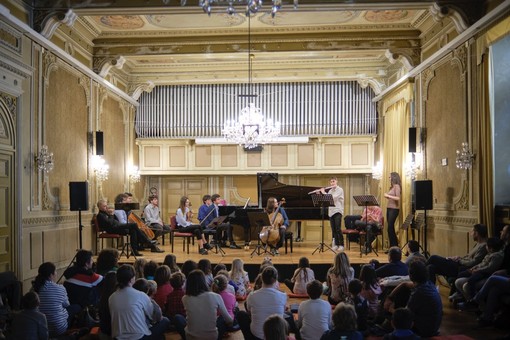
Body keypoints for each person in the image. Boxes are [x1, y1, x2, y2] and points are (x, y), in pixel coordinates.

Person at [109, 264, 169, 340]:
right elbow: (152, 317)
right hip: (139, 337)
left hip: (118, 337)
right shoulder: (141, 295)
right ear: (131, 280)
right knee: (165, 321)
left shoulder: (111, 298)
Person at [427, 223, 488, 289]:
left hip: (461, 268)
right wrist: (458, 258)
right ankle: (429, 290)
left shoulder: (483, 246)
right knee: (431, 267)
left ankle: (416, 279)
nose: (471, 234)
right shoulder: (478, 244)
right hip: (459, 263)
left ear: (477, 233)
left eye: (472, 231)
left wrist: (459, 260)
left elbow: (474, 262)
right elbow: (468, 257)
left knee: (433, 258)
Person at [96, 199, 163, 256]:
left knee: (133, 231)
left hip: (117, 226)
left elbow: (115, 220)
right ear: (99, 207)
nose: (106, 207)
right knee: (134, 225)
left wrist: (112, 215)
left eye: (106, 205)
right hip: (112, 229)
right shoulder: (100, 215)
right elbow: (110, 223)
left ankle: (134, 251)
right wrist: (111, 215)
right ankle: (150, 243)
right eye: (104, 206)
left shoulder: (106, 213)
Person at [32, 262, 81, 338]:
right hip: (59, 329)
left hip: (41, 329)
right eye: (55, 271)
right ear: (51, 275)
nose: (56, 273)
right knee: (77, 307)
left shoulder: (34, 289)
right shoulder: (60, 288)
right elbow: (67, 305)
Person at [238, 266, 287, 340]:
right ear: (275, 280)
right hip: (276, 336)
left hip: (256, 336)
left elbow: (249, 312)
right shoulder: (283, 296)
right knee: (288, 315)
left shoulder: (252, 295)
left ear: (262, 278)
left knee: (241, 314)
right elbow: (283, 312)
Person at [182, 269, 233, 340]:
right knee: (222, 318)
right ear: (204, 281)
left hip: (190, 337)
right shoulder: (216, 296)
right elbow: (229, 320)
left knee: (178, 318)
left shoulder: (185, 298)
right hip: (212, 337)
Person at [406, 260, 442, 338]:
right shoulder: (429, 284)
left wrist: (391, 309)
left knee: (394, 318)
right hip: (433, 327)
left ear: (411, 276)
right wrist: (402, 284)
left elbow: (406, 315)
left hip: (423, 331)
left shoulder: (418, 293)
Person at [321, 176, 344, 252]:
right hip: (331, 212)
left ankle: (341, 245)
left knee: (338, 228)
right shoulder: (330, 190)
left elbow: (332, 198)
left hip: (337, 211)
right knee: (333, 229)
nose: (332, 183)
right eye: (331, 182)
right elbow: (326, 199)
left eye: (333, 181)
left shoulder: (340, 190)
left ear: (336, 181)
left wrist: (324, 192)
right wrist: (320, 194)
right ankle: (336, 244)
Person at [384, 172, 401, 248]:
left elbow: (398, 198)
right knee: (389, 228)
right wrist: (388, 196)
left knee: (390, 227)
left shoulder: (397, 186)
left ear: (394, 177)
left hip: (394, 209)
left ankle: (394, 247)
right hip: (389, 208)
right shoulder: (392, 187)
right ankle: (392, 247)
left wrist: (388, 195)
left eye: (390, 177)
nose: (389, 178)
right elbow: (392, 197)